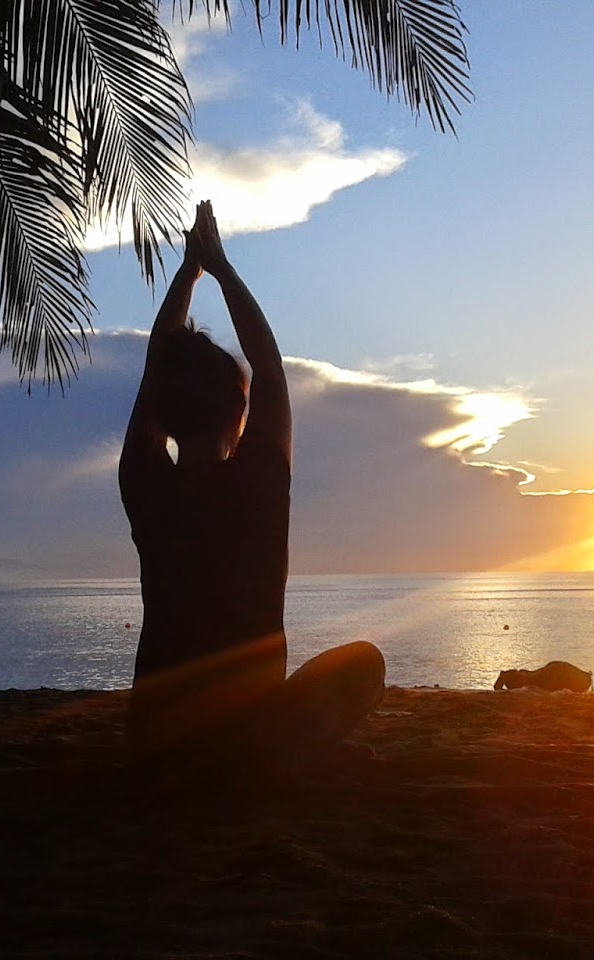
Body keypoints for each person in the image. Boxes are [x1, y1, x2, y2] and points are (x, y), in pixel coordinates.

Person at [120, 200, 385, 770]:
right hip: (249, 743)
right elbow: (270, 366)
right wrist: (218, 265)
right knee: (364, 662)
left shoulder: (146, 486)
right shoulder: (258, 483)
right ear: (239, 413)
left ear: (162, 416)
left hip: (155, 743)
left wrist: (187, 274)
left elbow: (155, 370)